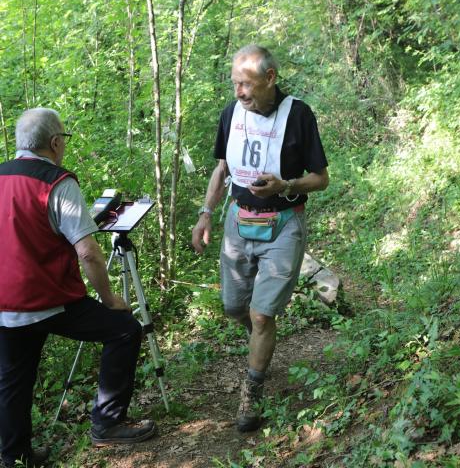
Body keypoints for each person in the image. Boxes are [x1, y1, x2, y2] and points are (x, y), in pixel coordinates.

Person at [0, 108, 156, 468]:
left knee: (12, 380)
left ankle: (14, 457)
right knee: (124, 330)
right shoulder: (56, 182)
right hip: (52, 300)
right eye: (64, 140)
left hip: (6, 305)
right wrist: (109, 299)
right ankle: (108, 424)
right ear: (55, 142)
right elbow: (88, 252)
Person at [192, 45, 329, 432]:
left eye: (246, 84)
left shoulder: (299, 115)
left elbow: (321, 178)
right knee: (235, 308)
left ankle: (252, 388)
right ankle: (261, 340)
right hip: (238, 223)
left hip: (283, 223)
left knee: (261, 313)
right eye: (235, 83)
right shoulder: (230, 114)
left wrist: (286, 184)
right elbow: (222, 170)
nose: (239, 92)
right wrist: (205, 215)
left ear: (270, 78)